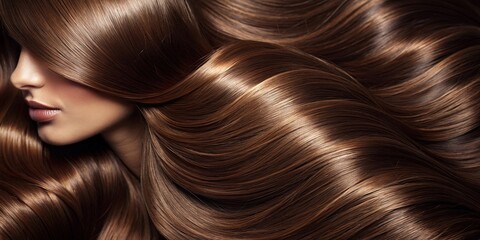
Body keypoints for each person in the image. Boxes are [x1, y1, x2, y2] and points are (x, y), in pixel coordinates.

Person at [0, 0, 479, 239]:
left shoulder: (268, 171)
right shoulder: (79, 190)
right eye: (19, 47)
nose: (22, 75)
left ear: (129, 44)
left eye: (50, 50)